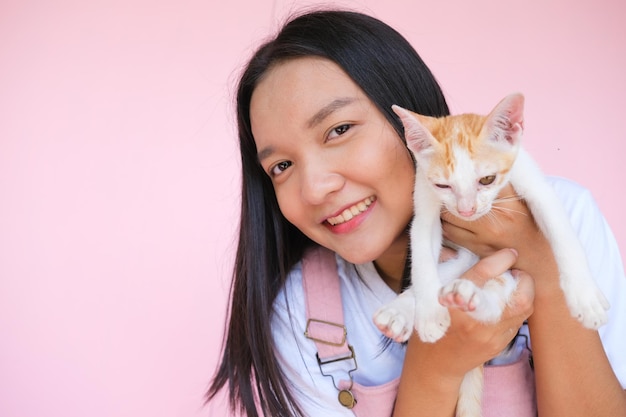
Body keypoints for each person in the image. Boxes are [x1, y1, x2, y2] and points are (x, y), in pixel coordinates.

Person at [207, 9, 626, 417]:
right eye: (281, 166)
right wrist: (437, 370)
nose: (316, 187)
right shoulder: (302, 314)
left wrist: (546, 274)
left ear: (412, 126)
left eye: (338, 130)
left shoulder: (567, 215)